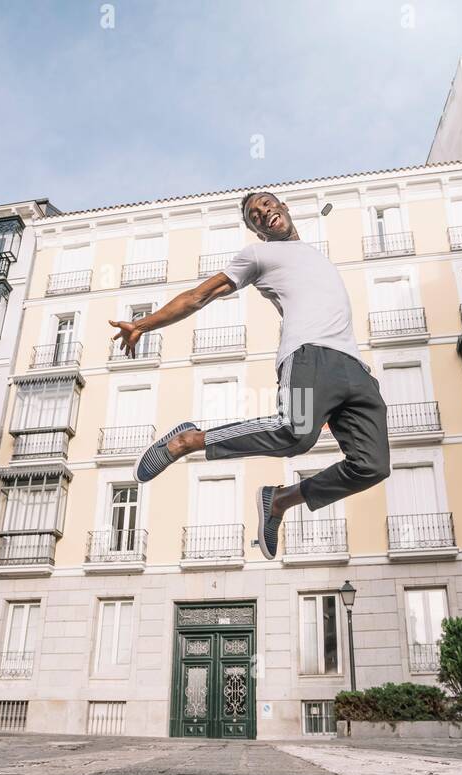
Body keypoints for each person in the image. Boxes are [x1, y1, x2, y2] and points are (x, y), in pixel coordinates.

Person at [109, 190, 389, 560]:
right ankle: (187, 441)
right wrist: (143, 325)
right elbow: (198, 296)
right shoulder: (258, 255)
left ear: (284, 207)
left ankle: (280, 501)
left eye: (268, 204)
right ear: (257, 232)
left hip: (355, 369)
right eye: (255, 215)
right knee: (296, 432)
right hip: (310, 355)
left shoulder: (314, 254)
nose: (264, 213)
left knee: (372, 465)